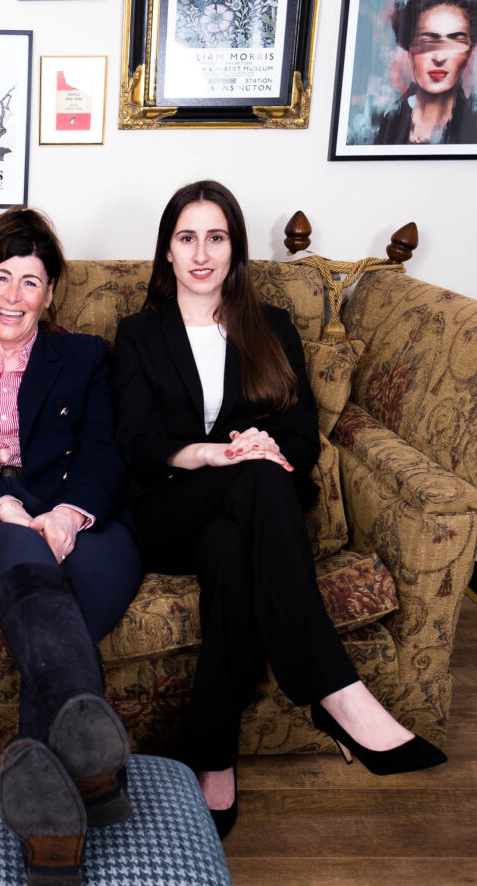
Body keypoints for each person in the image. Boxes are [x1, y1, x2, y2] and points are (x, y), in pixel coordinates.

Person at [109, 179, 447, 841]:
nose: (201, 252)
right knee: (254, 478)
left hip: (245, 518)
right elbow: (136, 444)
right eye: (187, 237)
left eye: (216, 236)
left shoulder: (273, 328)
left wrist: (262, 444)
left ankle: (212, 750)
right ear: (167, 252)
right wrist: (211, 454)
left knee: (235, 545)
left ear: (235, 250)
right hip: (168, 508)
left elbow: (301, 435)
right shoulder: (140, 335)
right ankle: (332, 688)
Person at [0, 206, 143, 886]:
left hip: (80, 523)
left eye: (32, 282)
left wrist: (69, 514)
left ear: (51, 293)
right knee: (23, 555)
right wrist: (9, 508)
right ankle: (90, 775)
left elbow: (105, 449)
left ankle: (53, 831)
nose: (14, 296)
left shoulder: (84, 357)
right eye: (2, 278)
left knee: (76, 585)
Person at [374, 0, 477, 144]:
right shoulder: (383, 126)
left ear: (469, 52)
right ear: (410, 51)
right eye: (428, 41)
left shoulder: (472, 128)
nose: (439, 57)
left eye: (455, 41)